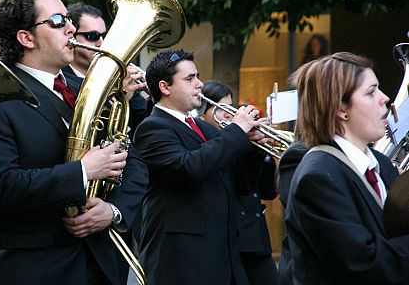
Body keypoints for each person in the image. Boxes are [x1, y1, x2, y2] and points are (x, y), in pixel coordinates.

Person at [0, 0, 147, 284]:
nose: (71, 29)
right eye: (59, 21)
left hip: (100, 265)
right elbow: (1, 187)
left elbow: (134, 161)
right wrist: (83, 172)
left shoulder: (84, 91)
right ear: (26, 38)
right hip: (34, 270)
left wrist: (114, 210)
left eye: (70, 20)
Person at [134, 49, 270, 284]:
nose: (200, 84)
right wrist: (237, 132)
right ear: (165, 87)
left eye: (197, 76)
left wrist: (254, 148)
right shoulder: (152, 128)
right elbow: (189, 167)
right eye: (190, 79)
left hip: (222, 257)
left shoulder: (205, 128)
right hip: (183, 261)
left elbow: (241, 185)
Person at [280, 52, 409, 283]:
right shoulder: (317, 177)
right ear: (341, 109)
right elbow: (364, 263)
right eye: (370, 92)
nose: (385, 98)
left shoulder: (380, 164)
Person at [197, 80, 278, 285]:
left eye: (230, 108)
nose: (228, 114)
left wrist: (261, 150)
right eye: (220, 108)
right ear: (202, 113)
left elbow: (267, 191)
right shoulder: (207, 146)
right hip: (229, 244)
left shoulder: (239, 142)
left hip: (256, 240)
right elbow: (236, 185)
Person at [65, 2, 148, 133]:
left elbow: (143, 125)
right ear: (71, 37)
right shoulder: (62, 79)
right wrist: (119, 99)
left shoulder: (118, 76)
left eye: (104, 35)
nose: (101, 43)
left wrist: (155, 99)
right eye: (92, 36)